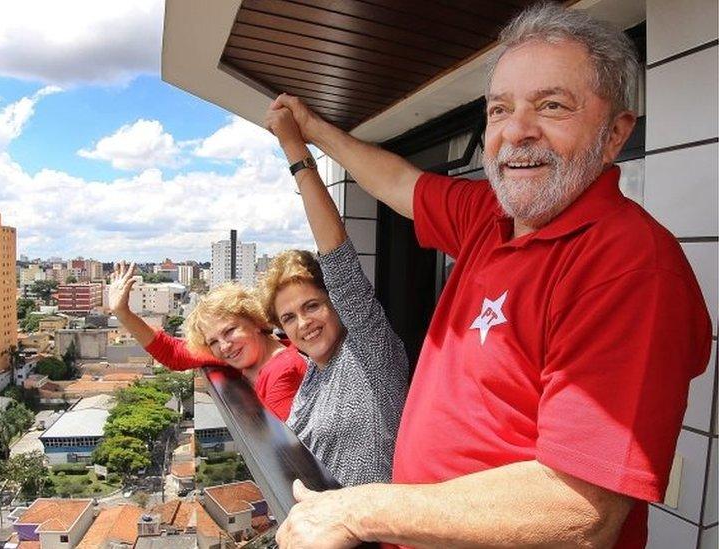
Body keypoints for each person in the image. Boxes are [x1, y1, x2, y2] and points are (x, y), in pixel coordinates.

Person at [271, 4, 712, 549]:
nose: (517, 132)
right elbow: (397, 181)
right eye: (500, 110)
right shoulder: (491, 215)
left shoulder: (630, 266)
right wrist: (311, 131)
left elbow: (580, 509)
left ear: (615, 133)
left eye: (552, 105)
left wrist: (359, 509)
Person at [260, 106, 410, 487]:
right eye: (290, 317)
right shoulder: (313, 373)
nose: (304, 322)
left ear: (336, 303)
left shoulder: (369, 354)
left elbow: (338, 257)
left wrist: (295, 151)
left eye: (312, 306)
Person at [107, 263, 306, 420]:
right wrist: (122, 312)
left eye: (230, 330)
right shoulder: (243, 353)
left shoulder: (284, 370)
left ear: (255, 321)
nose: (224, 345)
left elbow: (290, 455)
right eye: (213, 342)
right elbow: (173, 353)